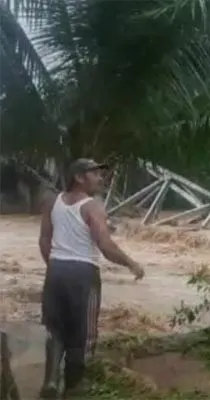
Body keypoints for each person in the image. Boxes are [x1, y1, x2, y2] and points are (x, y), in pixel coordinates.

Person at [37, 158, 145, 398]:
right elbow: (105, 245)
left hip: (55, 271)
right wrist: (132, 264)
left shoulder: (51, 202)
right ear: (79, 177)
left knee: (55, 329)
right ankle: (74, 389)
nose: (100, 179)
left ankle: (51, 381)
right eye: (94, 174)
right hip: (83, 275)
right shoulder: (92, 206)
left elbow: (44, 240)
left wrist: (55, 265)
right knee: (83, 334)